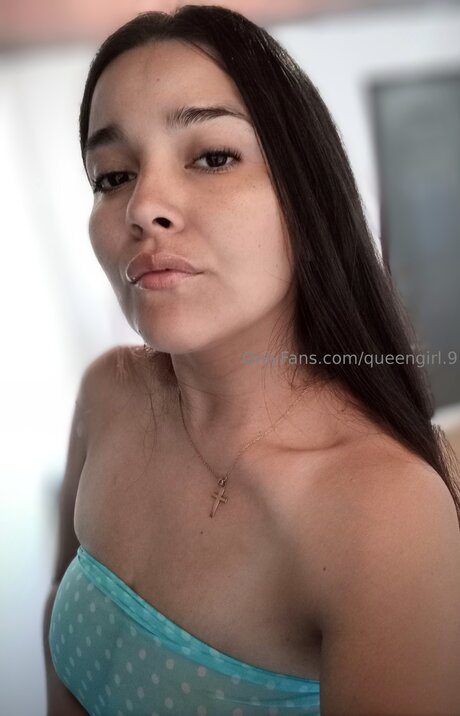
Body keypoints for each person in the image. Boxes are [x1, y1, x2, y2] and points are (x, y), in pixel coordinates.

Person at [43, 5, 460, 715]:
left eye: (212, 157)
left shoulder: (383, 512)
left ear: (306, 194)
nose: (143, 206)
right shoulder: (108, 394)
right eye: (112, 175)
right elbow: (60, 614)